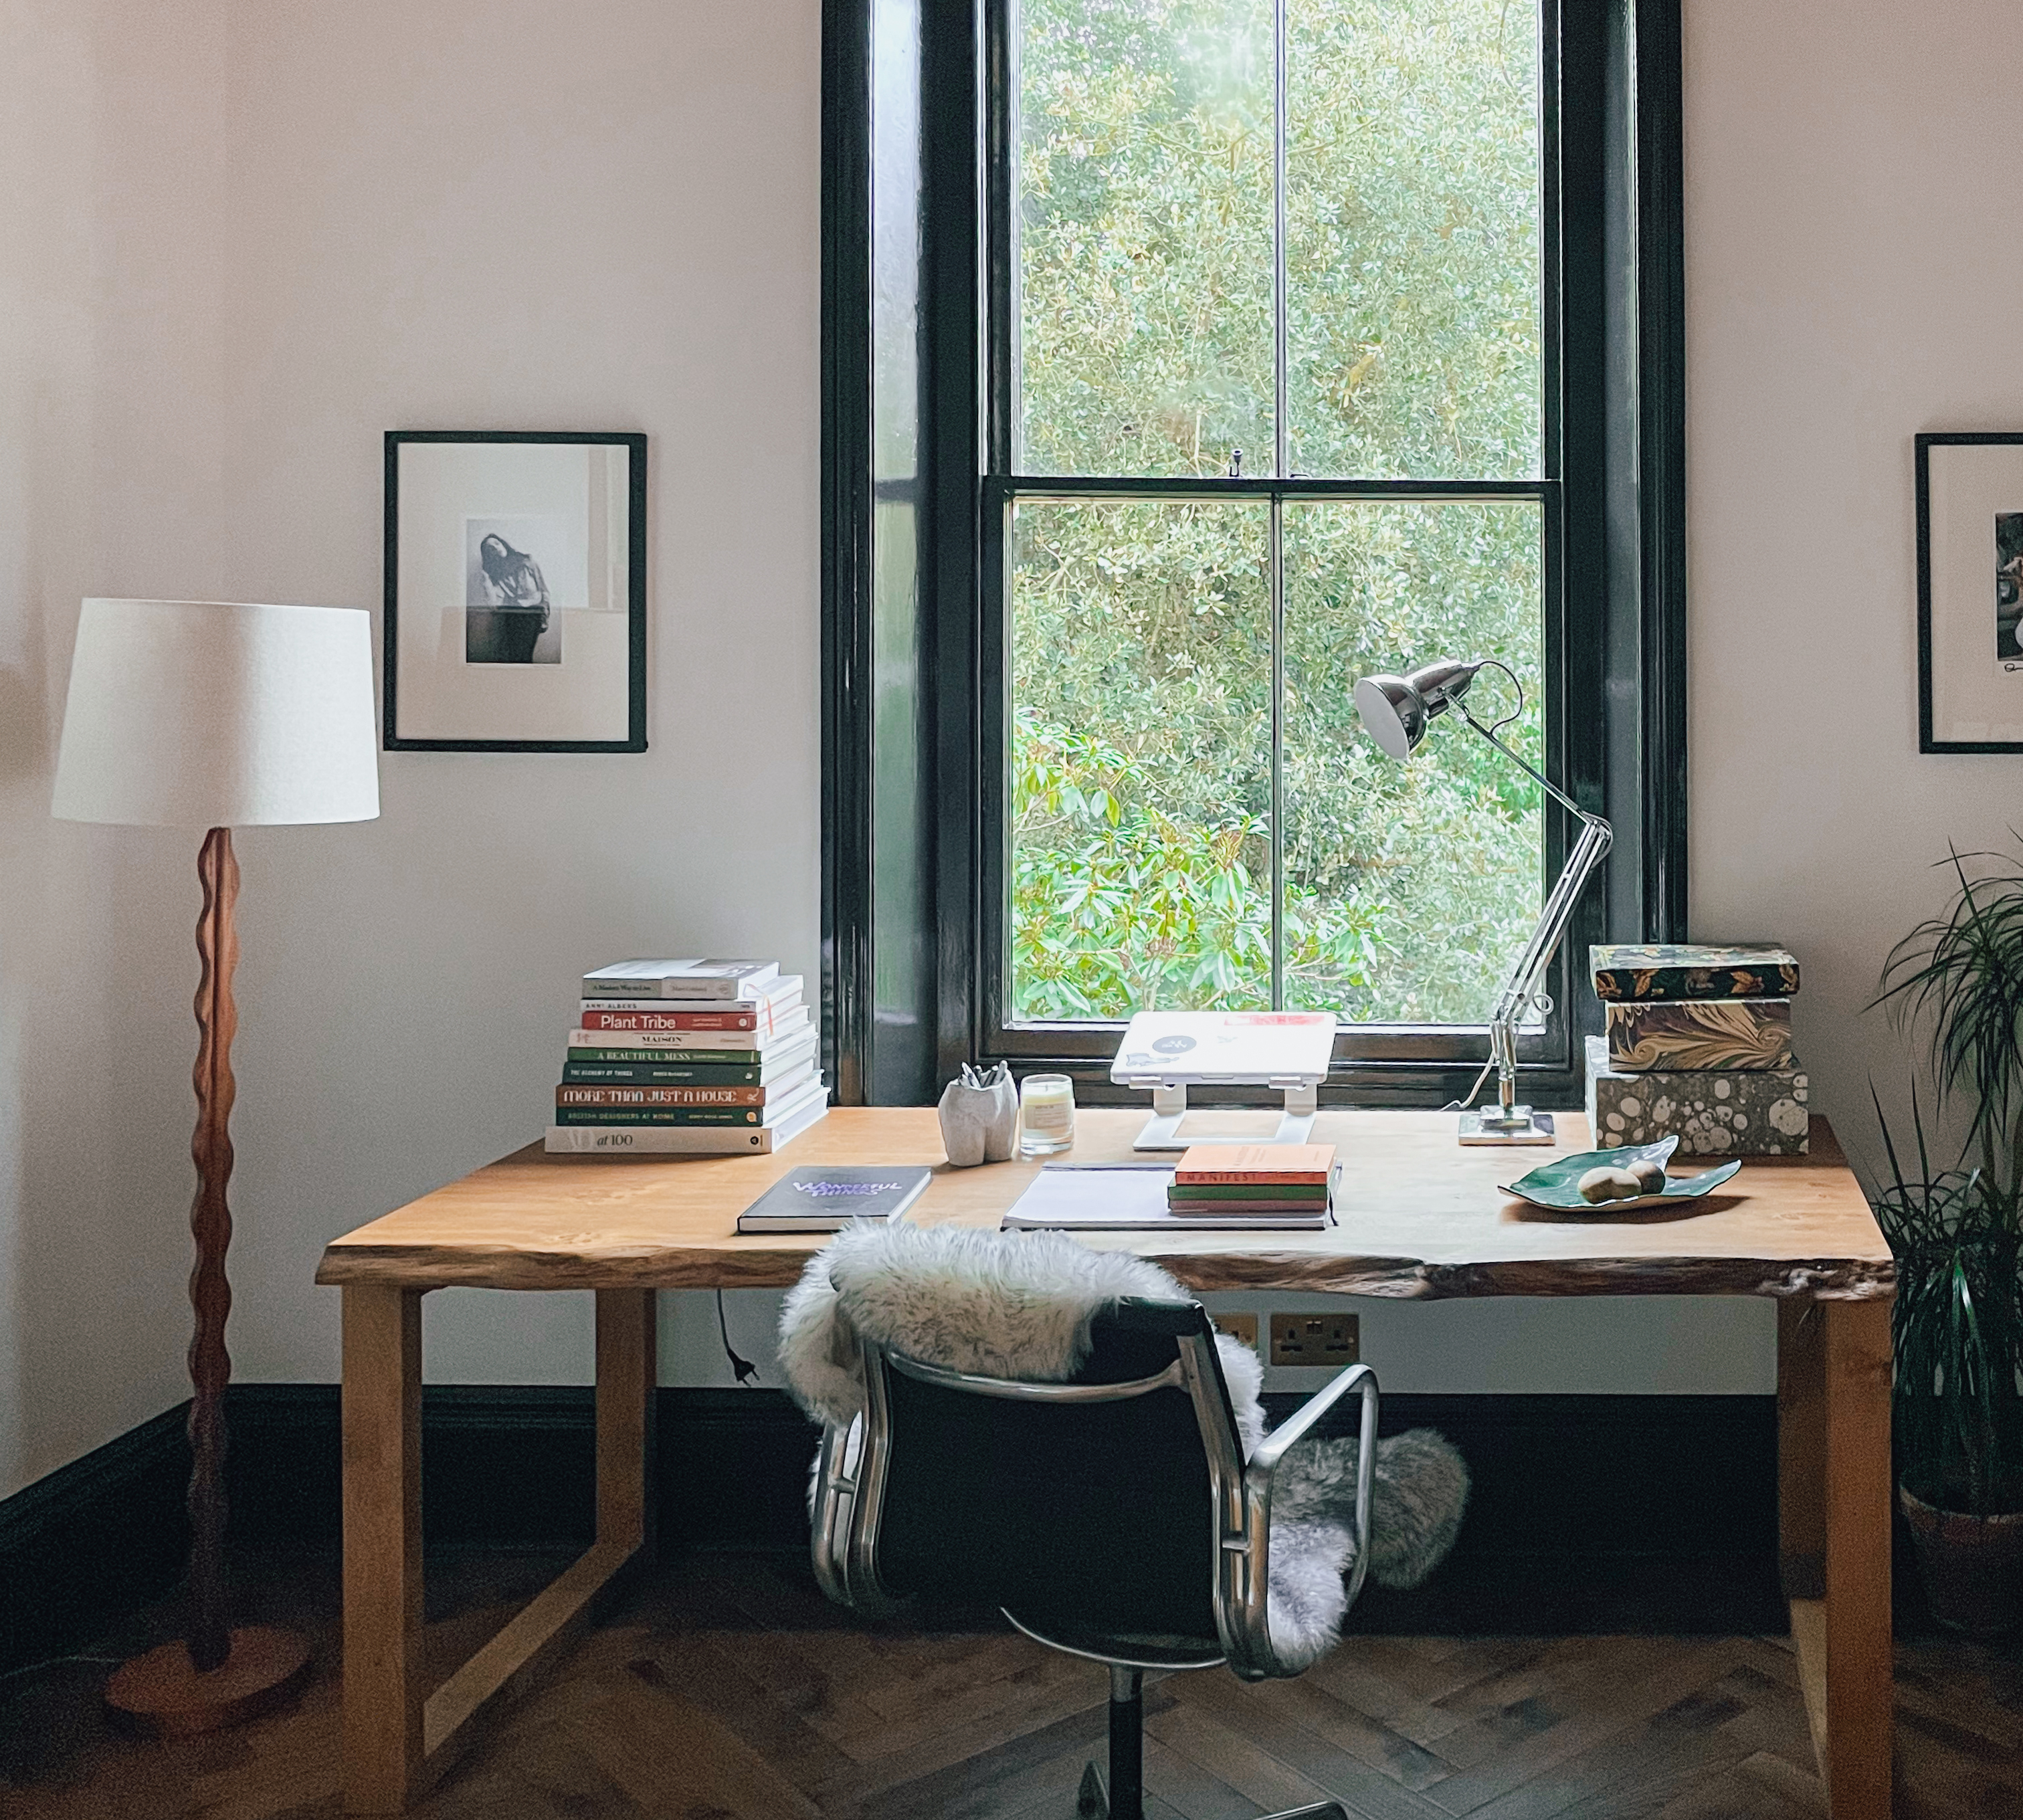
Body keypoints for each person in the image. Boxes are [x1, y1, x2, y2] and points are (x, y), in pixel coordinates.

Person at [466, 532, 551, 664]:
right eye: (490, 548)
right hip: (510, 616)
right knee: (511, 657)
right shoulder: (494, 574)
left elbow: (543, 590)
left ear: (503, 544)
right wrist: (486, 580)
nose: (496, 548)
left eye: (497, 543)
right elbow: (493, 604)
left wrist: (544, 617)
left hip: (532, 614)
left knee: (524, 657)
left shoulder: (527, 561)